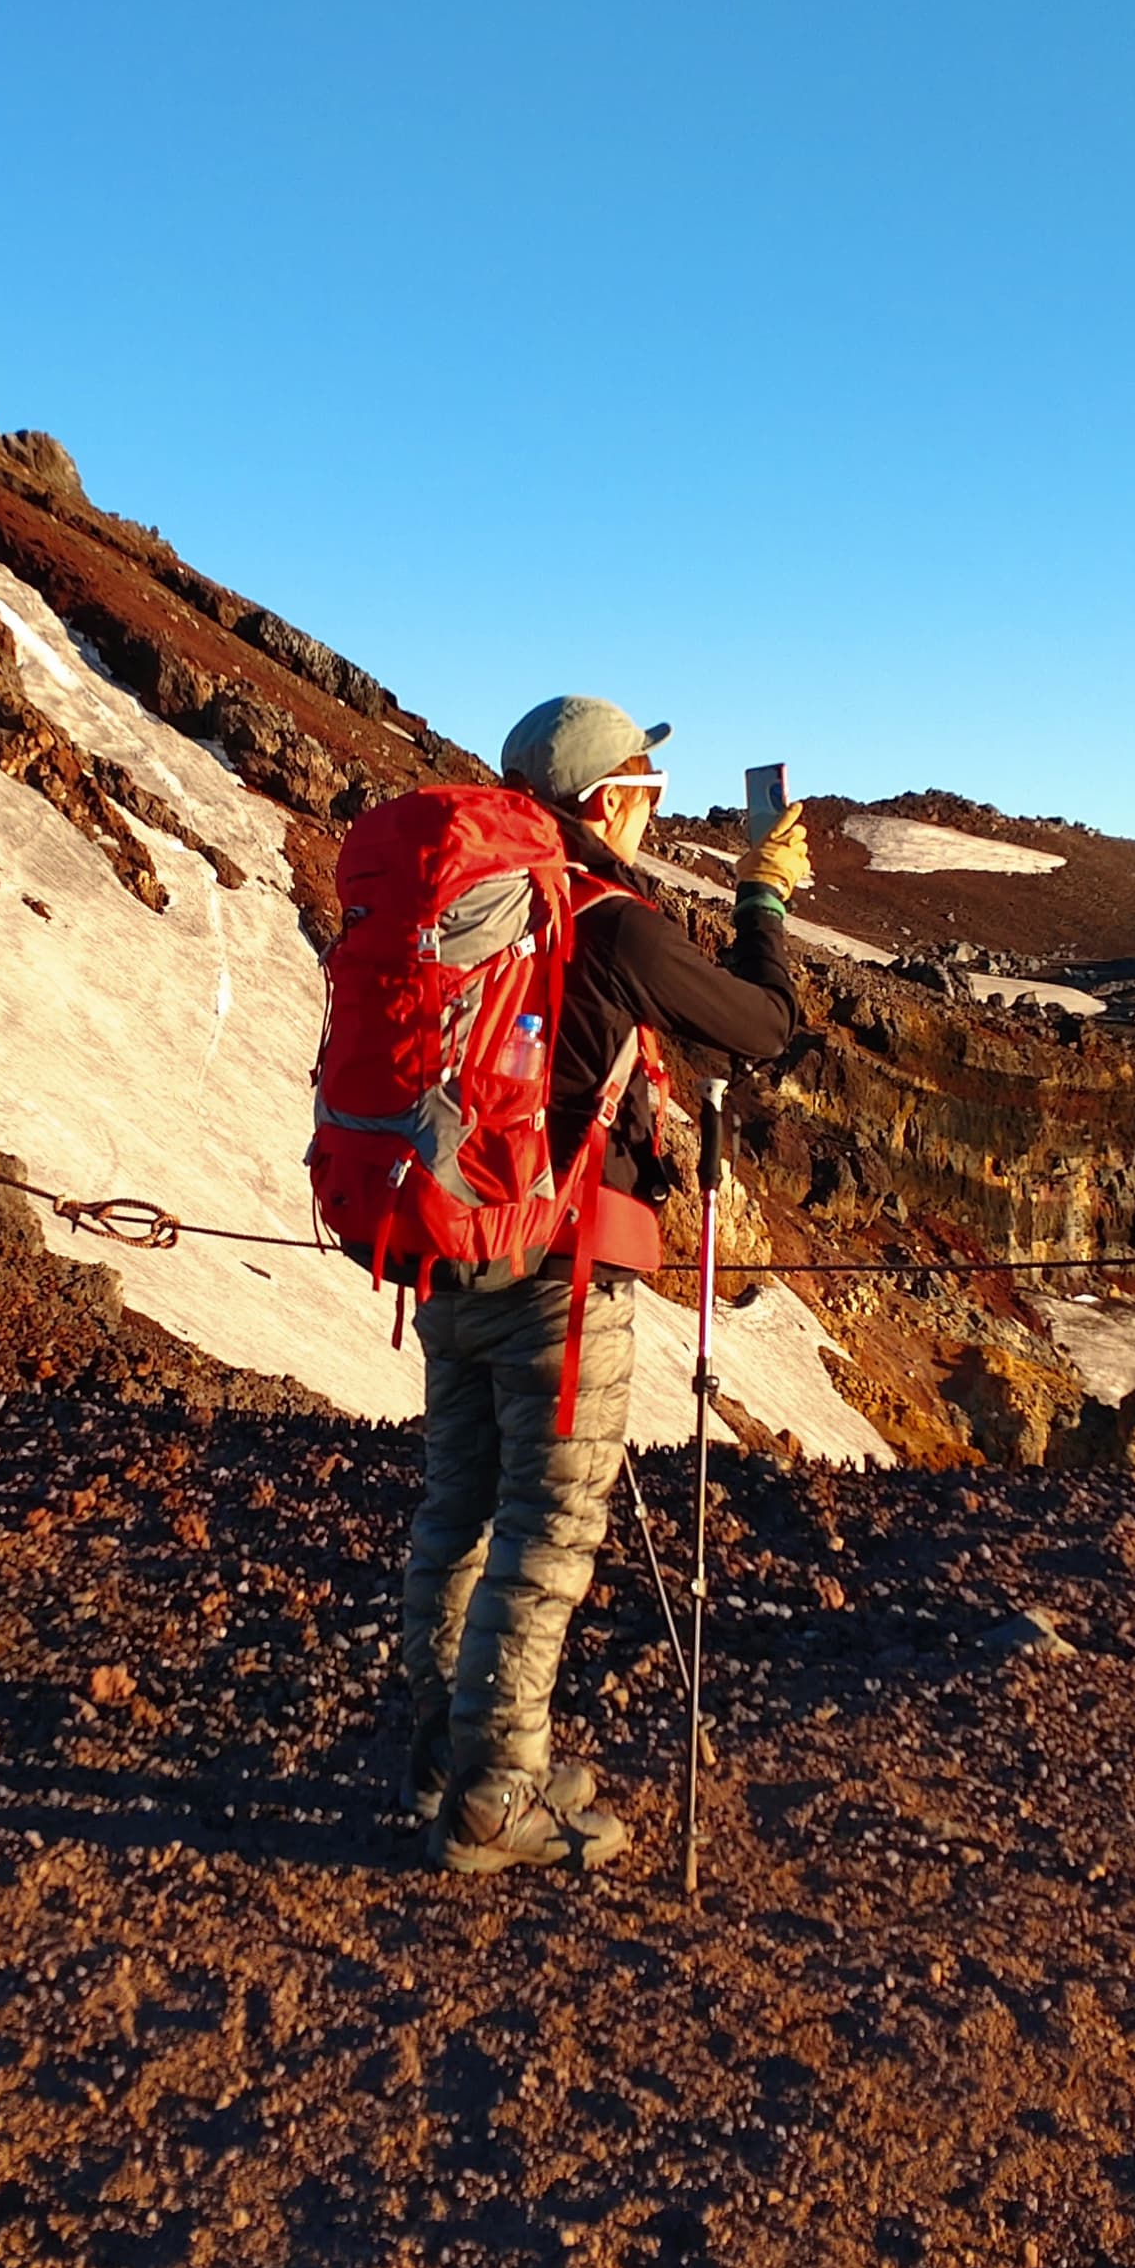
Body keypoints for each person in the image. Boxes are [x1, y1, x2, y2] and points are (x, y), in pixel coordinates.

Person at [403, 693, 814, 1875]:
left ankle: (448, 1751)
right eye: (644, 785)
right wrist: (763, 896)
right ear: (602, 801)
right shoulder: (612, 922)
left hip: (457, 1243)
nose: (656, 804)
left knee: (458, 1511)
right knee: (547, 1529)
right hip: (565, 1277)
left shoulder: (482, 908)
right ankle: (494, 1796)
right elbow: (761, 1025)